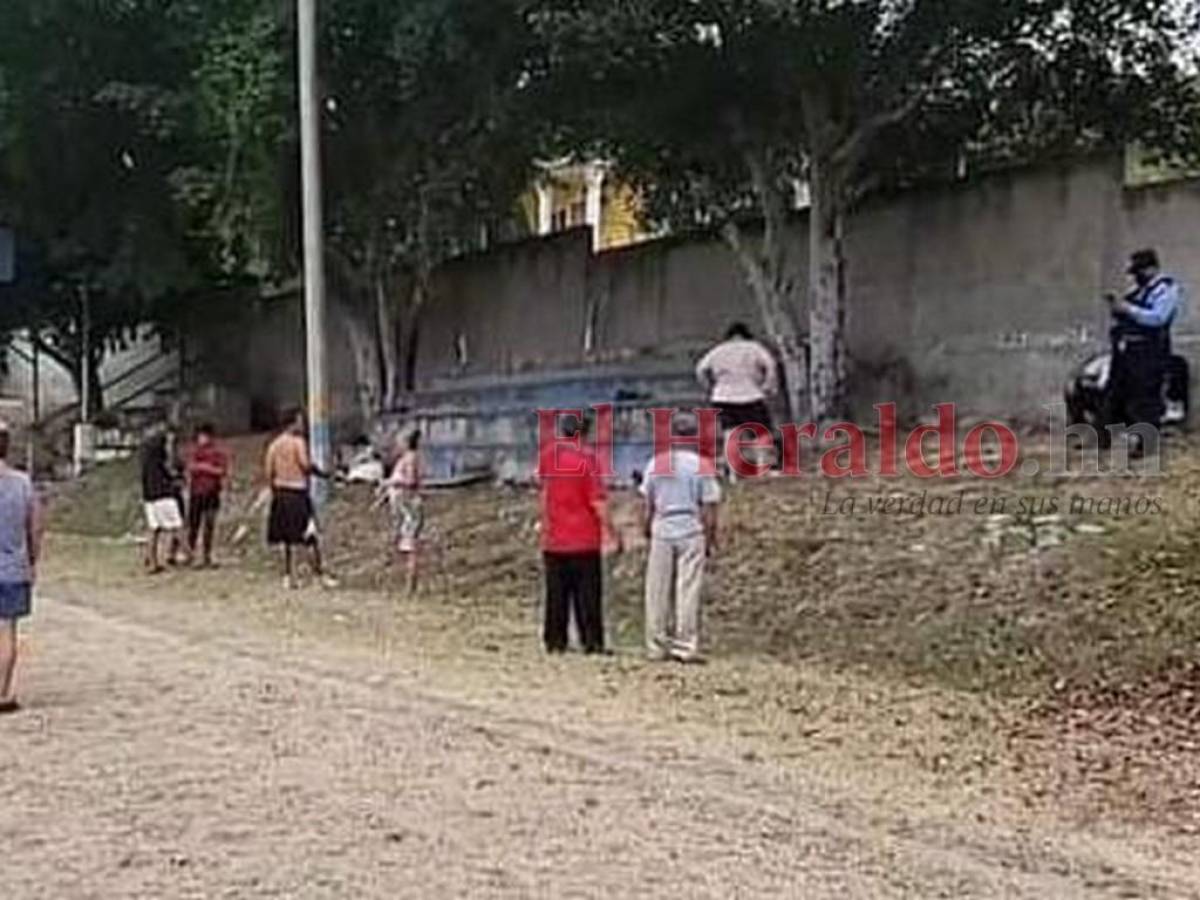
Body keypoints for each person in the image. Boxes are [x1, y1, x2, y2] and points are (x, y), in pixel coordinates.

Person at [640, 412, 722, 664]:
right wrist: (710, 537)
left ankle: (656, 643)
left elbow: (647, 502)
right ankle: (685, 645)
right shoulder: (701, 465)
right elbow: (709, 506)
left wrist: (646, 527)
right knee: (688, 588)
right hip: (689, 524)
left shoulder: (657, 463)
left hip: (663, 524)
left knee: (657, 588)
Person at [537, 413, 619, 655]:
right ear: (584, 432)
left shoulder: (548, 454)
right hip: (583, 535)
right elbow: (597, 500)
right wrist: (611, 531)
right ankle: (591, 641)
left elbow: (543, 491)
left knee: (556, 593)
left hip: (555, 535)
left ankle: (555, 640)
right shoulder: (588, 458)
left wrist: (544, 521)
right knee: (587, 594)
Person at [1105, 249, 1185, 452]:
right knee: (1117, 395)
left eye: (1139, 271)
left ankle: (1146, 445)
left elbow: (1158, 318)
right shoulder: (1139, 291)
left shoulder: (1166, 289)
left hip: (1150, 353)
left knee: (1145, 399)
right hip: (1128, 352)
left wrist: (1128, 310)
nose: (1136, 277)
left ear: (1151, 268)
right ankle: (1108, 440)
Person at [265, 408, 335, 589]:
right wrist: (322, 473)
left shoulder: (274, 445)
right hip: (297, 492)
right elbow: (304, 464)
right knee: (309, 534)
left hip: (280, 493)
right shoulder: (297, 442)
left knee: (287, 538)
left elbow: (269, 472)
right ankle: (318, 575)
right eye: (300, 421)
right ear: (293, 422)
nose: (302, 424)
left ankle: (289, 575)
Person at [0, 423, 42, 715]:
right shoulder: (22, 482)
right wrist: (33, 560)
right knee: (7, 631)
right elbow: (35, 526)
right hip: (13, 566)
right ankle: (2, 692)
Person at [696, 323, 779, 469]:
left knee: (730, 433)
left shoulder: (718, 350)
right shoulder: (754, 347)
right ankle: (762, 466)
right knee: (760, 433)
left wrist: (710, 387)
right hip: (750, 394)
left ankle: (733, 471)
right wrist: (768, 386)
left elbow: (701, 369)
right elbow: (770, 365)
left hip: (723, 397)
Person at [381, 430, 424, 594]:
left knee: (411, 545)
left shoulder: (411, 458)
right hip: (402, 507)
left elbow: (411, 481)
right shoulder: (404, 459)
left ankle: (410, 586)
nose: (397, 444)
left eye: (399, 441)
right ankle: (402, 584)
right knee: (402, 544)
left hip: (410, 507)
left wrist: (393, 482)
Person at [185, 423, 230, 568]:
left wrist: (204, 468)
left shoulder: (217, 452)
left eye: (204, 436)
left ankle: (207, 555)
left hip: (212, 492)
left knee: (209, 525)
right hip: (196, 492)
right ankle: (190, 555)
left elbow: (222, 471)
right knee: (193, 525)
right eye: (200, 437)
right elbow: (191, 467)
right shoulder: (195, 451)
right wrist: (207, 468)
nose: (202, 439)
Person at [140, 425, 184, 574]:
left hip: (149, 494)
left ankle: (152, 560)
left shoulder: (146, 455)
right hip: (163, 493)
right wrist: (175, 478)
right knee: (177, 526)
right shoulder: (161, 455)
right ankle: (190, 555)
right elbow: (170, 468)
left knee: (154, 528)